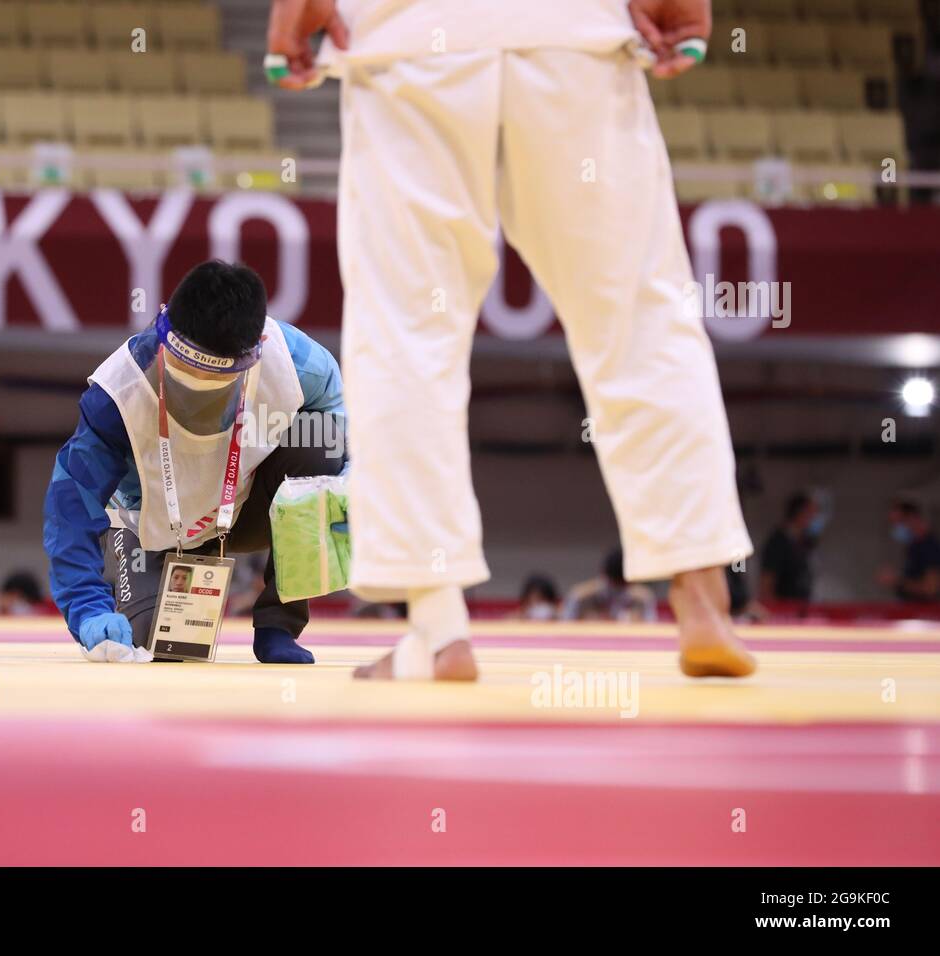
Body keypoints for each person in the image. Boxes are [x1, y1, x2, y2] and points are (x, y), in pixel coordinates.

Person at [267, 0, 757, 679]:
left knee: (409, 331)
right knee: (640, 320)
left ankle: (438, 630)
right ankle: (703, 595)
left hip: (409, 41)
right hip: (573, 36)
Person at [43, 260, 346, 663]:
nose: (198, 393)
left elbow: (344, 425)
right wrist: (87, 607)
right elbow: (71, 504)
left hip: (251, 506)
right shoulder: (119, 393)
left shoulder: (298, 362)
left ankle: (279, 622)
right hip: (159, 525)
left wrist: (349, 482)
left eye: (215, 381)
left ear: (254, 353)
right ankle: (148, 606)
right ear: (164, 332)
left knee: (323, 441)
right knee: (161, 648)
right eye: (186, 374)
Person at [759, 492, 822, 603]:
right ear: (799, 512)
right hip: (784, 609)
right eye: (811, 513)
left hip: (803, 606)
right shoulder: (777, 542)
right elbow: (767, 582)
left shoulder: (807, 543)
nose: (814, 518)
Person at [562, 550, 658, 623]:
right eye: (613, 583)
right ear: (603, 574)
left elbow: (651, 628)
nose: (617, 590)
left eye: (623, 585)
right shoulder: (581, 596)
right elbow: (565, 625)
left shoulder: (642, 598)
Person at [876, 498, 940, 602]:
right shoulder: (914, 547)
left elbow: (931, 589)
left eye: (898, 522)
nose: (896, 528)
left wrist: (896, 581)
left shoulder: (930, 547)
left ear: (912, 518)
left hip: (926, 614)